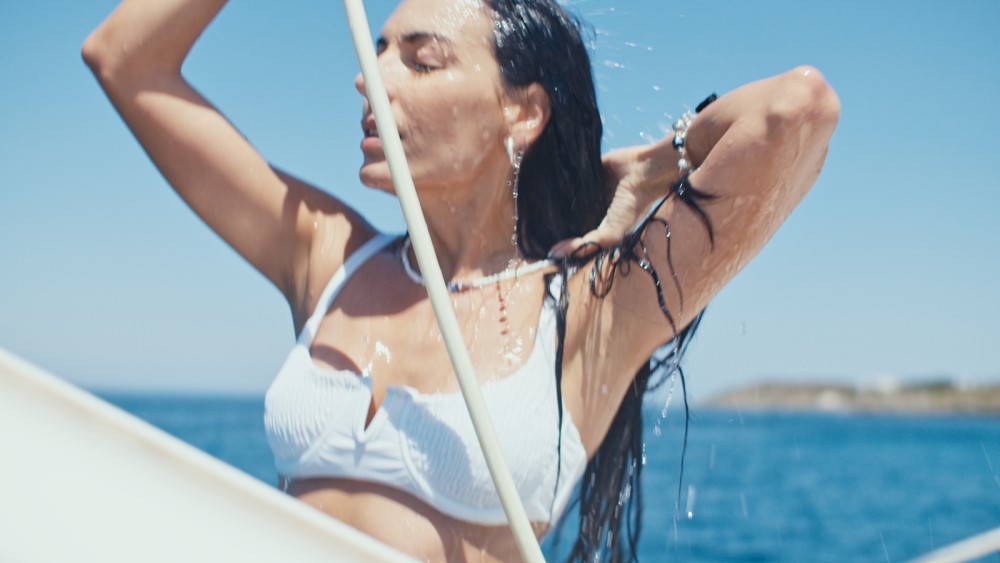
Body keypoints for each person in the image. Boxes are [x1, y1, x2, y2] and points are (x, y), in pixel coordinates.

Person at [82, 0, 839, 560]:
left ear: (523, 113)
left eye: (420, 61)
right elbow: (123, 59)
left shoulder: (592, 308)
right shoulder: (327, 254)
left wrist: (652, 165)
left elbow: (797, 109)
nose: (369, 78)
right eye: (378, 49)